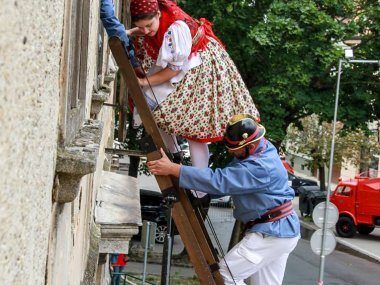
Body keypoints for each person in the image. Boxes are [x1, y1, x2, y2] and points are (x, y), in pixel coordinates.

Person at [147, 114, 300, 285]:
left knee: (223, 276)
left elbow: (220, 181)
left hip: (272, 232)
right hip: (279, 231)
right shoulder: (260, 149)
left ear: (251, 144)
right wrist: (201, 191)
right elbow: (230, 182)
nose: (230, 152)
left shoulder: (261, 166)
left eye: (234, 149)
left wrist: (175, 169)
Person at [128, 0, 260, 197]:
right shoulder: (159, 17)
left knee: (196, 127)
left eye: (149, 26)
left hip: (201, 70)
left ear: (158, 15)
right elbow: (148, 29)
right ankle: (174, 154)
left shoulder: (176, 29)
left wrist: (145, 82)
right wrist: (131, 33)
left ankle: (200, 186)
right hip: (189, 66)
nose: (146, 31)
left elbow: (172, 70)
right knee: (155, 107)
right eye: (141, 27)